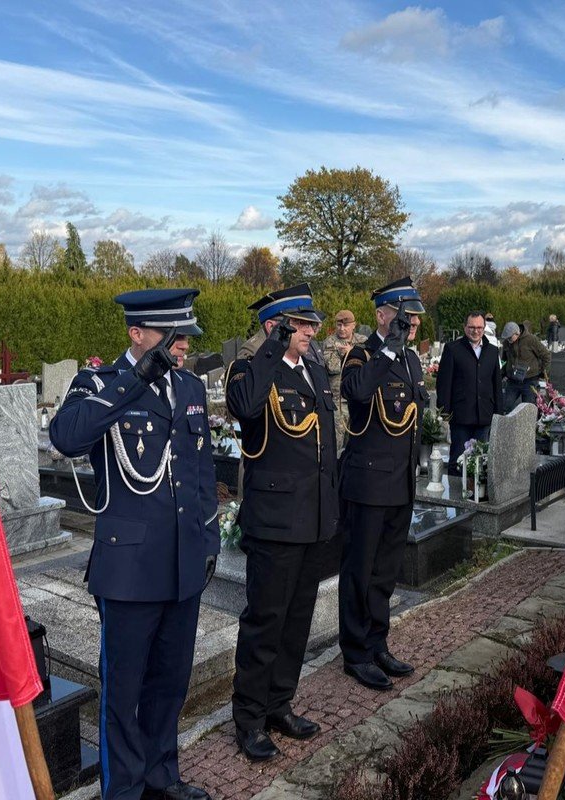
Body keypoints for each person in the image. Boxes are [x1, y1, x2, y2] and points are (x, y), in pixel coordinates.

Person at [50, 289, 218, 800]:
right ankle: (122, 791)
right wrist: (135, 379)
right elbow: (67, 436)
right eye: (173, 335)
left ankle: (161, 776)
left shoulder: (188, 387)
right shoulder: (97, 384)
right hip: (128, 569)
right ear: (137, 333)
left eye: (185, 335)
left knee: (170, 684)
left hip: (183, 564)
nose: (182, 345)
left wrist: (208, 535)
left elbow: (201, 468)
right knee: (122, 694)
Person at [226, 284, 339, 762]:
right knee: (265, 622)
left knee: (296, 621)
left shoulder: (313, 368)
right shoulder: (250, 369)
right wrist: (273, 345)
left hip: (313, 518)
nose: (313, 331)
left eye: (314, 323)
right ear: (278, 325)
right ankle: (249, 717)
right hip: (275, 521)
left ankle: (279, 704)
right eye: (304, 323)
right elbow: (246, 409)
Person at [338, 276, 428, 691]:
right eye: (402, 317)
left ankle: (377, 642)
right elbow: (355, 393)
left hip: (400, 482)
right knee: (360, 569)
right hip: (368, 482)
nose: (410, 324)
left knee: (385, 572)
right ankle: (355, 652)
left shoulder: (410, 360)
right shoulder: (362, 354)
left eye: (413, 319)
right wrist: (388, 346)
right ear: (381, 315)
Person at [436, 310, 502, 475]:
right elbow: (444, 383)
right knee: (458, 460)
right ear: (465, 328)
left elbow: (497, 384)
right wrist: (445, 413)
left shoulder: (493, 351)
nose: (476, 331)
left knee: (481, 461)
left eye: (479, 327)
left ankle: (476, 496)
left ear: (484, 327)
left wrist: (499, 414)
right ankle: (455, 498)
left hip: (484, 415)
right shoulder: (453, 349)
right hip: (461, 416)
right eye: (472, 327)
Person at [321, 309, 367, 446]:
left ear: (354, 325)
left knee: (357, 443)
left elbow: (369, 366)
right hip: (338, 402)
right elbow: (332, 366)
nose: (342, 329)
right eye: (339, 325)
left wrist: (351, 352)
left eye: (346, 325)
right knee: (335, 443)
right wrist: (352, 355)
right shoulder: (329, 342)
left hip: (358, 400)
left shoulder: (363, 341)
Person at [501, 320, 551, 409]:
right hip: (512, 380)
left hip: (530, 380)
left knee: (527, 409)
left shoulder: (531, 340)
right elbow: (504, 360)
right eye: (507, 338)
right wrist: (502, 374)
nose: (508, 340)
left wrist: (542, 372)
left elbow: (546, 355)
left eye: (510, 338)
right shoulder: (507, 343)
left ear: (517, 333)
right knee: (504, 406)